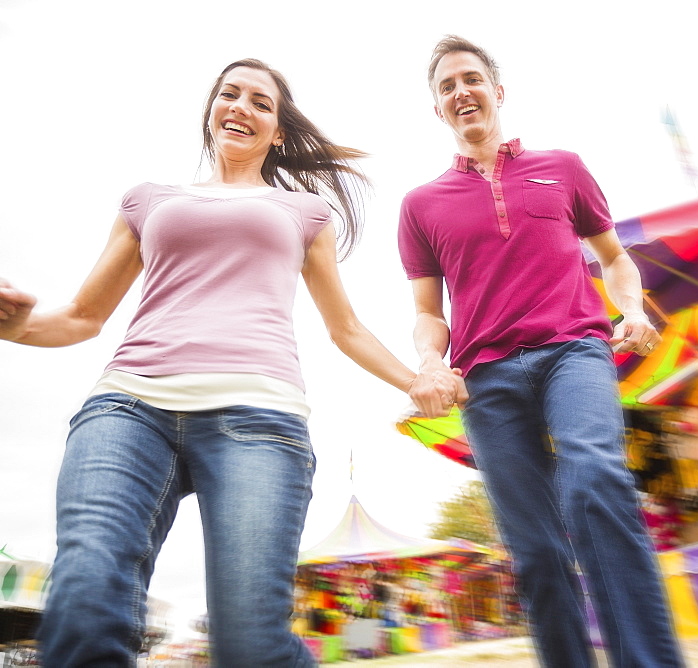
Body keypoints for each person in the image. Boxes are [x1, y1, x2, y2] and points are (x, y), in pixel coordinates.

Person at [0, 58, 460, 666]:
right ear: (212, 110)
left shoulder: (304, 213)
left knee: (250, 642)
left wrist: (420, 379)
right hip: (130, 407)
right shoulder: (148, 200)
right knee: (84, 601)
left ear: (278, 134)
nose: (240, 106)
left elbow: (345, 329)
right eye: (229, 94)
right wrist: (16, 327)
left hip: (259, 419)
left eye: (260, 103)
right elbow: (83, 316)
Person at [398, 35, 685, 667]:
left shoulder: (565, 168)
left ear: (497, 92)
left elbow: (615, 259)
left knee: (595, 478)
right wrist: (427, 363)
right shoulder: (421, 205)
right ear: (438, 110)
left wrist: (632, 309)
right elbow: (427, 311)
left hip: (572, 351)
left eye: (470, 79)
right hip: (486, 379)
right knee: (534, 547)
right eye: (446, 87)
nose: (460, 92)